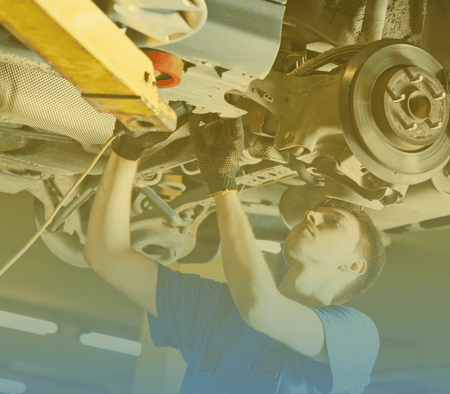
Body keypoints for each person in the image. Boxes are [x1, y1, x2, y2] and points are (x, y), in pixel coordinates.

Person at [84, 115, 386, 394]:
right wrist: (127, 151)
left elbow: (259, 308)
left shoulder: (356, 336)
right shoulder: (214, 308)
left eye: (333, 222)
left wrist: (224, 187)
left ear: (354, 265)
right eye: (316, 212)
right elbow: (107, 257)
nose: (310, 215)